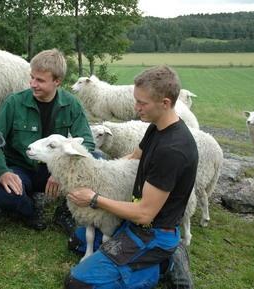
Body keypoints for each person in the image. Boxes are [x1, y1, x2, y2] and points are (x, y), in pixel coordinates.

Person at [64, 65, 198, 289]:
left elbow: (145, 214)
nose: (136, 108)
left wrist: (94, 198)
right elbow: (133, 156)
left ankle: (164, 265)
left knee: (78, 283)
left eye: (142, 103)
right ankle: (148, 259)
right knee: (78, 240)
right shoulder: (157, 127)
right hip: (134, 221)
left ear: (165, 103)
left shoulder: (172, 150)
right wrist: (97, 174)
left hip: (153, 231)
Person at [0, 48, 95, 231]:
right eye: (32, 77)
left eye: (40, 80)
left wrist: (61, 170)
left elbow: (87, 141)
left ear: (57, 81)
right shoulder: (13, 102)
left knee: (98, 162)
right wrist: (3, 172)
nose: (32, 84)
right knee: (6, 196)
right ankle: (29, 210)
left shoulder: (71, 104)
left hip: (56, 169)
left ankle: (65, 212)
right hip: (21, 167)